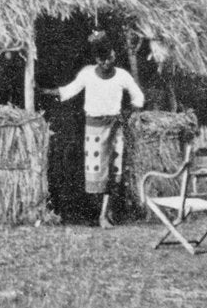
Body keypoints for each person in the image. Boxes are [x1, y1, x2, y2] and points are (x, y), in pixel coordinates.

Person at [40, 43, 145, 228]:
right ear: (96, 59)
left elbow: (138, 96)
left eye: (109, 57)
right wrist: (45, 92)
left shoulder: (122, 75)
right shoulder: (88, 74)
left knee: (114, 170)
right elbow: (69, 90)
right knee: (95, 172)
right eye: (101, 59)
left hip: (114, 127)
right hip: (94, 127)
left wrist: (130, 113)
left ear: (114, 55)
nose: (106, 62)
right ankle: (100, 212)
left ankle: (105, 214)